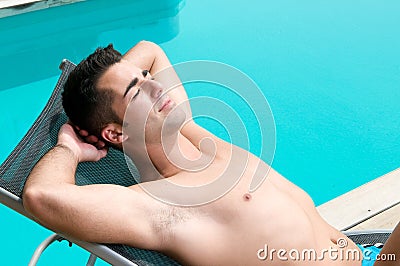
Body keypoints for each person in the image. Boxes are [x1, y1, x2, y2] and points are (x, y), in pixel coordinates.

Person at [22, 41, 399, 265]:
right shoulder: (160, 205)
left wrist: (124, 82)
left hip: (370, 254)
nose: (158, 89)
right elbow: (41, 196)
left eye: (149, 81)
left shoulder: (193, 135)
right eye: (139, 94)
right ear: (115, 133)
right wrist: (69, 146)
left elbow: (151, 51)